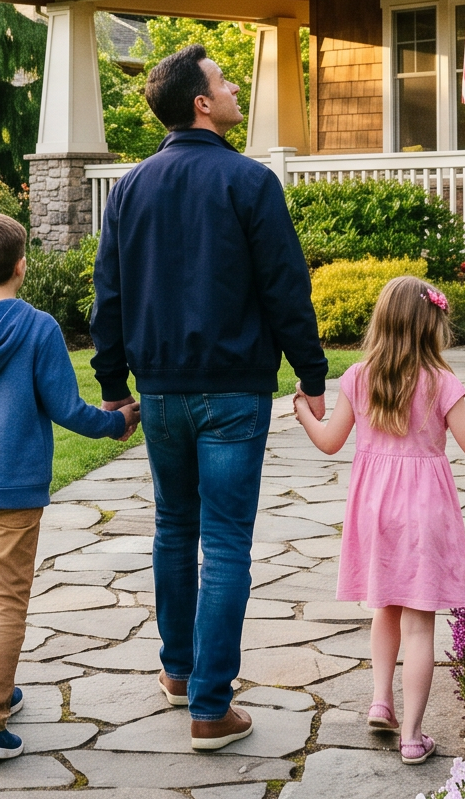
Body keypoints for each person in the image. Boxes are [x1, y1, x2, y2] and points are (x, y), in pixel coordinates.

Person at [91, 44, 329, 751]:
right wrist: (311, 376)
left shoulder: (131, 188)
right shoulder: (250, 182)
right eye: (224, 83)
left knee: (174, 529)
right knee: (224, 544)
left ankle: (178, 672)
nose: (233, 90)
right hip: (233, 394)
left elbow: (109, 296)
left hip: (161, 395)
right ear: (201, 103)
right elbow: (286, 288)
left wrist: (112, 388)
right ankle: (209, 705)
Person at [291, 275, 465, 762]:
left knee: (384, 607)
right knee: (420, 622)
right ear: (431, 325)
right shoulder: (441, 383)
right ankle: (413, 737)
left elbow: (330, 441)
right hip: (424, 509)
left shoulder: (358, 377)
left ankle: (381, 699)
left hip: (374, 508)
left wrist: (303, 413)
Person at [0, 214, 139, 760]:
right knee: (9, 598)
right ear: (22, 266)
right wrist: (118, 421)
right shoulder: (38, 328)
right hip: (16, 485)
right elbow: (66, 408)